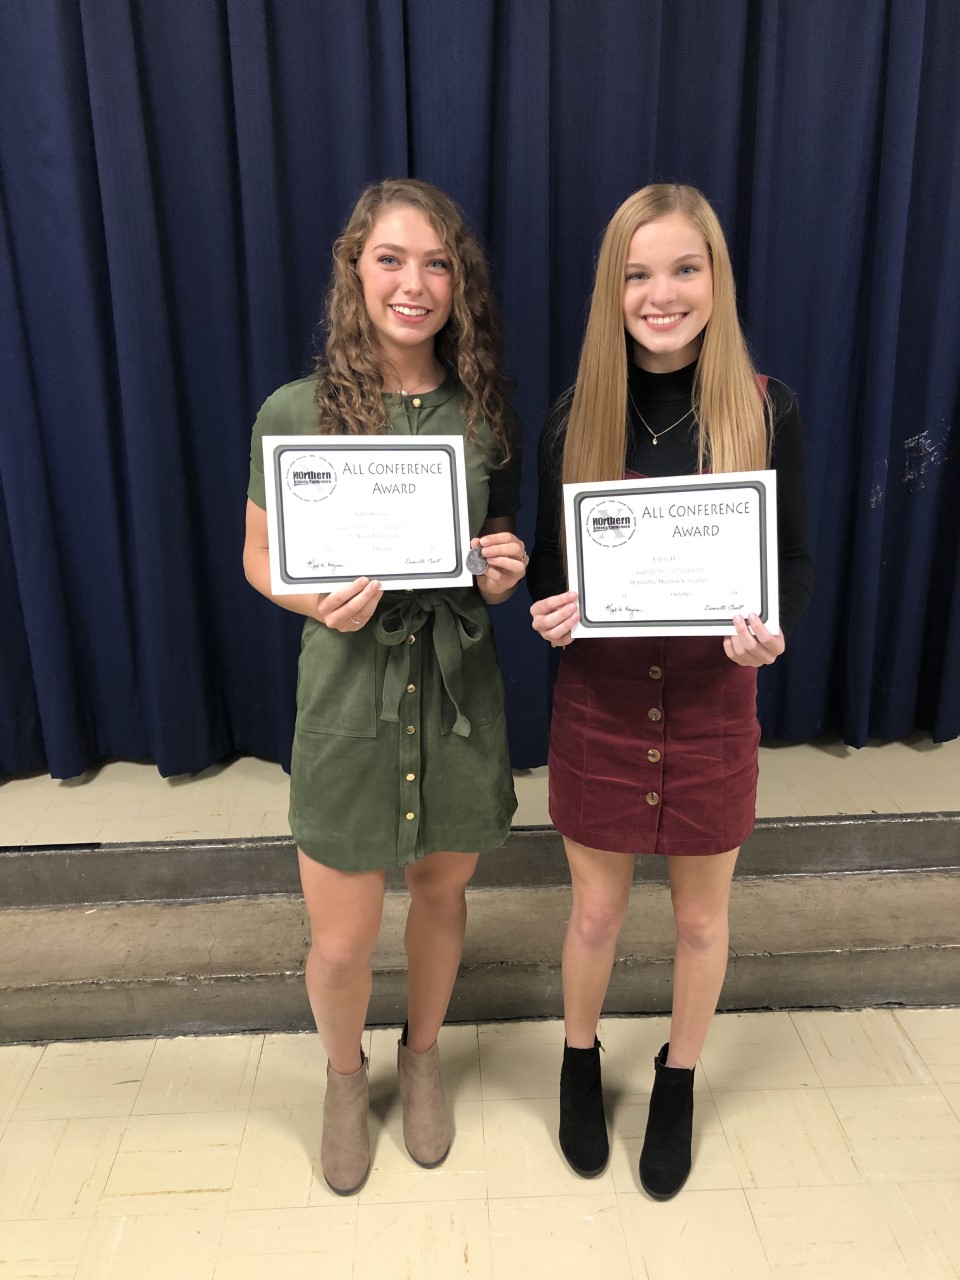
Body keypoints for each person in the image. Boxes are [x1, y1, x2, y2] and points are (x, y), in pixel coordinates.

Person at [528, 183, 813, 1198]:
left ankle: (678, 1077)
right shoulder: (574, 416)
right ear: (613, 290)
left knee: (699, 923)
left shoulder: (766, 408)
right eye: (638, 273)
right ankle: (578, 1059)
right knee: (595, 915)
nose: (662, 294)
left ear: (715, 280)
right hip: (599, 708)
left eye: (684, 269)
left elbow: (792, 564)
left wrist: (769, 635)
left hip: (710, 707)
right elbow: (552, 571)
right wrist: (553, 612)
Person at [243, 178, 526, 1196]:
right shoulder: (294, 411)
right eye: (392, 258)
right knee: (341, 937)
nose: (416, 282)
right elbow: (258, 558)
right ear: (355, 271)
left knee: (441, 894)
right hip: (347, 695)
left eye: (438, 262)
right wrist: (318, 604)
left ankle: (422, 1055)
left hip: (454, 691)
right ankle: (342, 1075)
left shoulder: (484, 413)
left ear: (460, 283)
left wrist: (501, 571)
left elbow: (495, 549)